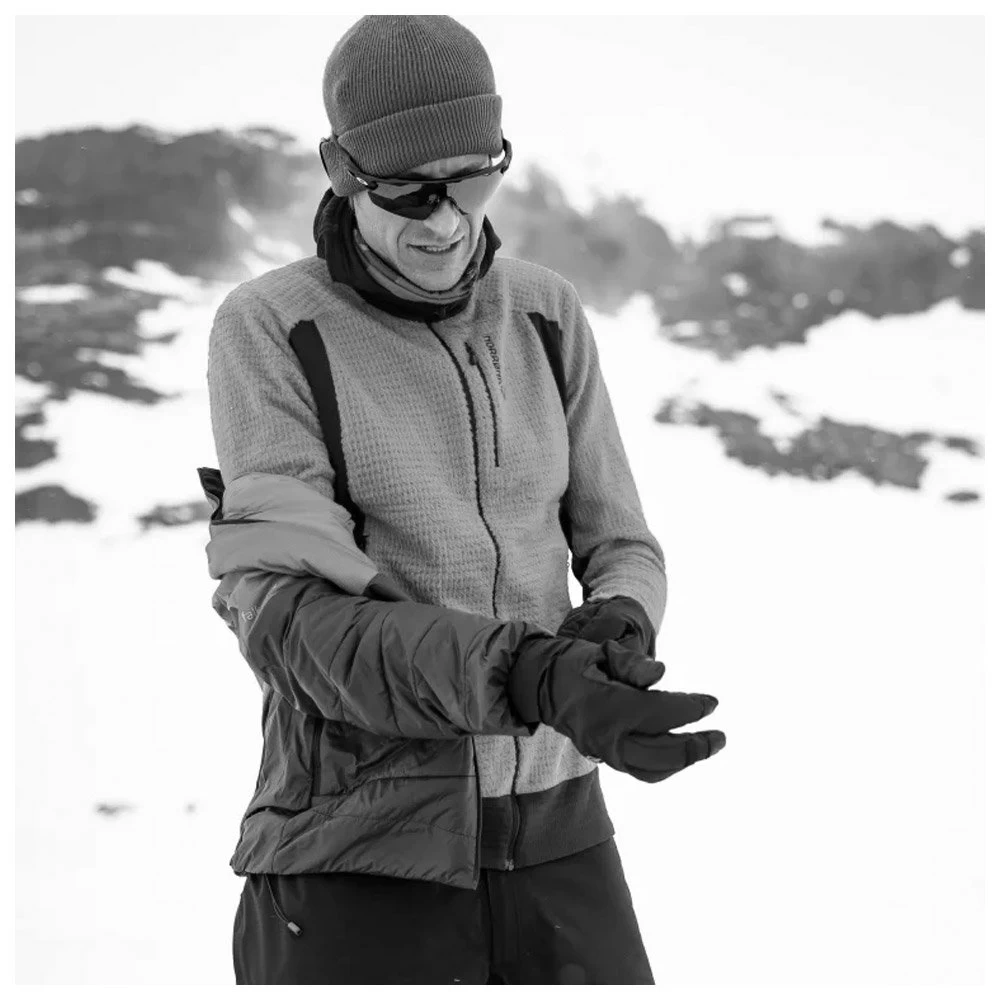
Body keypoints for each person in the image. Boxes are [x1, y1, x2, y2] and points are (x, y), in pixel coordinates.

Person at [199, 14, 725, 986]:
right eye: (408, 191)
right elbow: (289, 624)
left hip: (561, 833)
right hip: (359, 850)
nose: (445, 221)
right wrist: (528, 675)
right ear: (342, 171)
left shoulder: (545, 312)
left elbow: (621, 540)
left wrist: (618, 622)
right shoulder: (271, 329)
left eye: (474, 180)